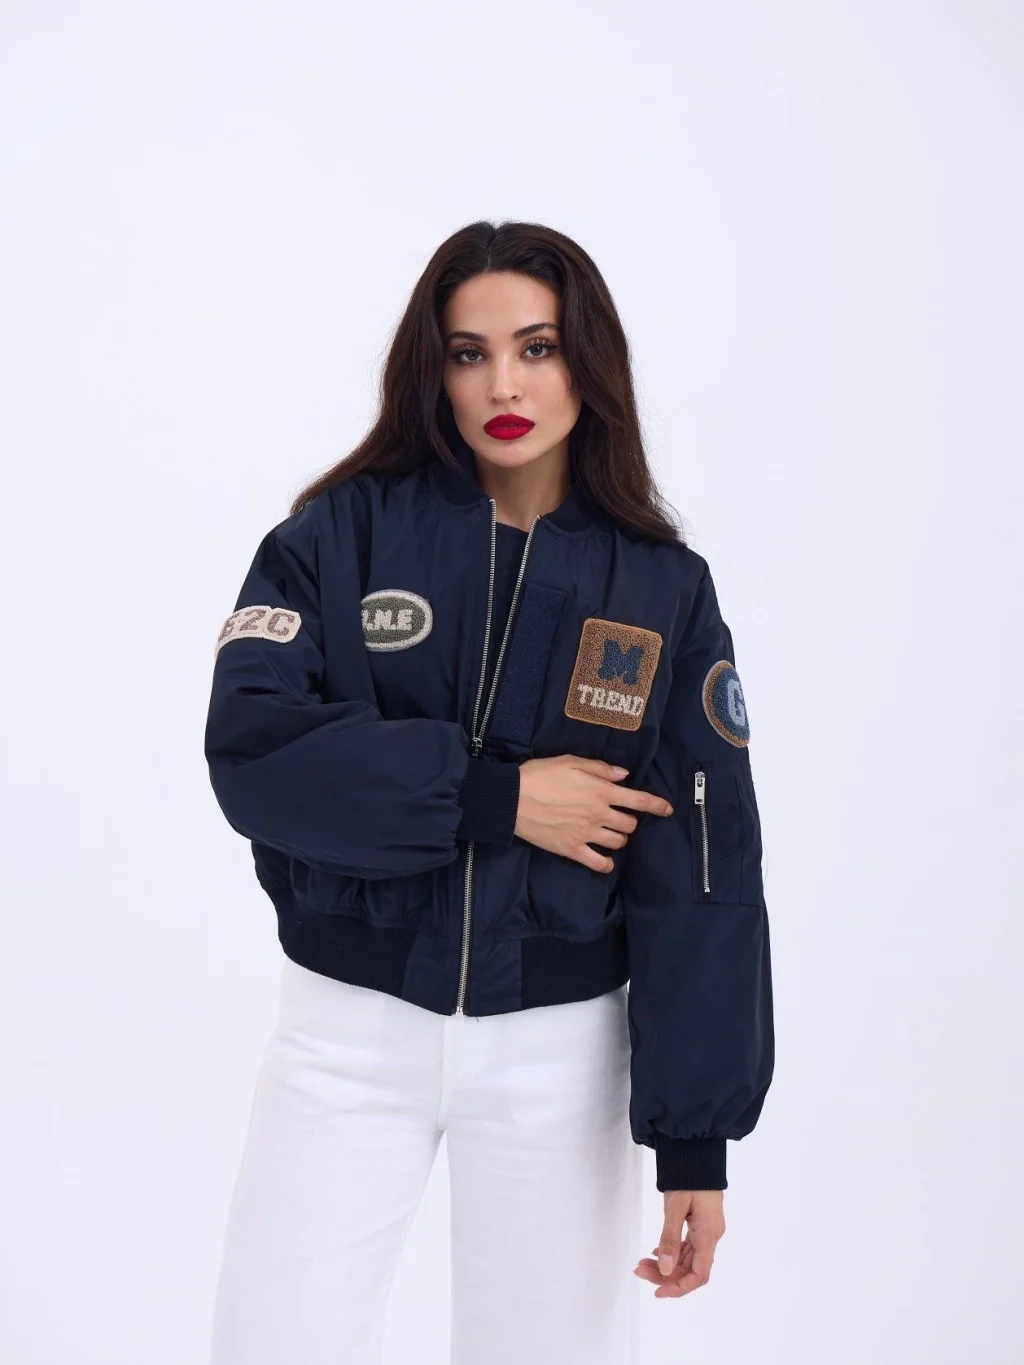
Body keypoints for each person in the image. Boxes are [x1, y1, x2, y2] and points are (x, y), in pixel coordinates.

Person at [203, 219, 774, 1364]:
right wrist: (493, 798)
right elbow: (255, 752)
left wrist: (693, 1142)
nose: (503, 385)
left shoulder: (661, 586)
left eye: (536, 347)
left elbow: (703, 868)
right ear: (433, 369)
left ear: (586, 362)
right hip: (346, 1035)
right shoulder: (335, 539)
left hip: (557, 1058)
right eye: (469, 353)